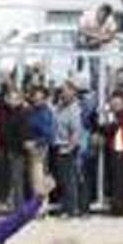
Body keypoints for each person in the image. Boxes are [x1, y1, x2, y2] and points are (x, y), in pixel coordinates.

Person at [51, 81, 82, 218]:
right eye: (61, 91)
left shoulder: (74, 110)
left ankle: (71, 209)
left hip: (67, 148)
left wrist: (69, 148)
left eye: (65, 91)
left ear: (73, 92)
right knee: (62, 179)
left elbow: (75, 132)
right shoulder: (60, 107)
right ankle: (65, 206)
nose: (62, 93)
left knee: (69, 179)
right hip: (58, 146)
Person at [102, 93, 123, 216]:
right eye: (113, 104)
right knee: (118, 179)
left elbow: (109, 129)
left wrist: (107, 118)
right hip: (117, 149)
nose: (115, 106)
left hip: (121, 150)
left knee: (119, 180)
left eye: (117, 104)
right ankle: (120, 206)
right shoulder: (119, 116)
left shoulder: (121, 116)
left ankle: (120, 208)